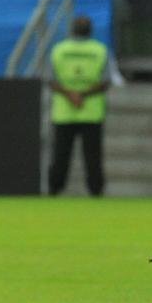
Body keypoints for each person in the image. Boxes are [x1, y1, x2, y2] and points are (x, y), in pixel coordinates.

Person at [48, 16, 112, 196]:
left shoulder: (59, 50)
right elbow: (106, 81)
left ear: (72, 30)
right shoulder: (100, 50)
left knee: (60, 156)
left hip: (63, 111)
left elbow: (51, 80)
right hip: (91, 111)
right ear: (91, 31)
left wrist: (70, 94)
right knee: (93, 157)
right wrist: (82, 95)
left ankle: (54, 190)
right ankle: (96, 191)